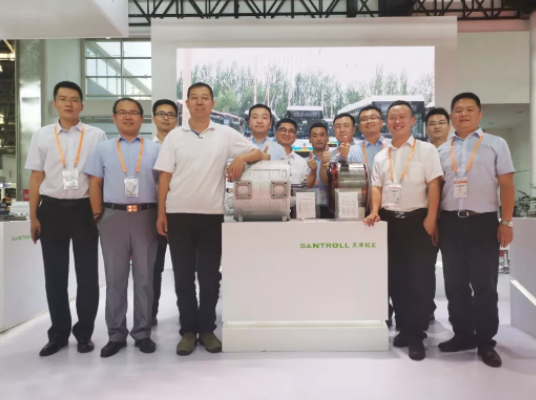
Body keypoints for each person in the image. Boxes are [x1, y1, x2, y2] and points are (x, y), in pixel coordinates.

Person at [154, 83, 262, 356]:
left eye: (205, 98)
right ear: (187, 104)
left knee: (210, 277)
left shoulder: (224, 134)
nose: (200, 102)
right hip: (178, 215)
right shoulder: (175, 137)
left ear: (213, 104)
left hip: (212, 216)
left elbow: (258, 152)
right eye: (194, 98)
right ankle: (188, 331)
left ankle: (207, 329)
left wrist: (240, 159)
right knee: (183, 277)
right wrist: (161, 213)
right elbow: (165, 177)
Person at [25, 81, 106, 357]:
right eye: (63, 99)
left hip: (85, 211)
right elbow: (36, 176)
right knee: (55, 276)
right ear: (55, 104)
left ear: (82, 105)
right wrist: (33, 216)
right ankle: (58, 334)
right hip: (51, 211)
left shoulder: (96, 135)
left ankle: (84, 334)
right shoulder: (42, 135)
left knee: (88, 276)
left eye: (74, 99)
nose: (69, 103)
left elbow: (99, 178)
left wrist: (99, 213)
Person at [437, 93, 515, 368]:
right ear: (451, 117)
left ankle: (485, 341)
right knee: (455, 284)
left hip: (483, 222)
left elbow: (507, 184)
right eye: (458, 110)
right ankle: (462, 335)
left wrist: (506, 222)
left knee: (485, 285)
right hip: (450, 222)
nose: (463, 114)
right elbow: (436, 189)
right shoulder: (441, 150)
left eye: (470, 109)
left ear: (480, 114)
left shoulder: (496, 143)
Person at [364, 100, 443, 361]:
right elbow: (377, 186)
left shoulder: (426, 150)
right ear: (387, 122)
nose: (397, 121)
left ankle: (417, 334)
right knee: (395, 279)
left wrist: (431, 218)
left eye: (402, 117)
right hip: (389, 222)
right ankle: (405, 328)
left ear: (412, 121)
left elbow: (434, 185)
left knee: (419, 279)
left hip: (418, 220)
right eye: (392, 117)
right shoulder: (381, 155)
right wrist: (374, 210)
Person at [85, 98, 161, 358]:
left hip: (146, 216)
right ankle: (116, 334)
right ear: (114, 118)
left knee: (145, 278)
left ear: (142, 118)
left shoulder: (155, 149)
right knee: (115, 278)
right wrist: (98, 215)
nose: (128, 116)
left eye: (133, 113)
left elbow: (163, 184)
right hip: (113, 217)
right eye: (122, 112)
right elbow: (95, 183)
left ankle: (142, 333)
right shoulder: (102, 149)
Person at [151, 99, 179, 327]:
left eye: (170, 114)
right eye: (161, 113)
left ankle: (189, 316)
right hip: (153, 213)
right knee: (154, 267)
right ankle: (149, 314)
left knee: (185, 268)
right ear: (153, 119)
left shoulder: (184, 146)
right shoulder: (145, 148)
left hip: (181, 212)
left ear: (177, 119)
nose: (166, 118)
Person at [424, 106, 451, 323]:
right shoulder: (421, 152)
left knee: (454, 269)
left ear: (449, 126)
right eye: (432, 123)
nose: (436, 127)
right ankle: (426, 308)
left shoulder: (456, 151)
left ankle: (461, 318)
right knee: (425, 266)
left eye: (441, 122)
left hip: (451, 216)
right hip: (426, 217)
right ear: (426, 128)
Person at [305, 122, 333, 218]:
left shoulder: (335, 160)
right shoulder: (304, 162)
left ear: (327, 138)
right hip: (309, 207)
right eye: (314, 136)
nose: (318, 139)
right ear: (309, 139)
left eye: (322, 135)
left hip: (332, 207)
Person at [274, 118, 309, 185]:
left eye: (291, 131)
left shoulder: (302, 162)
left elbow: (306, 188)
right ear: (276, 133)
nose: (287, 134)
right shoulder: (265, 157)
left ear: (295, 136)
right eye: (283, 130)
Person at [356, 105, 391, 171]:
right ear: (359, 126)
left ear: (381, 123)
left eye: (373, 118)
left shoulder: (394, 145)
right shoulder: (353, 151)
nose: (369, 121)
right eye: (364, 119)